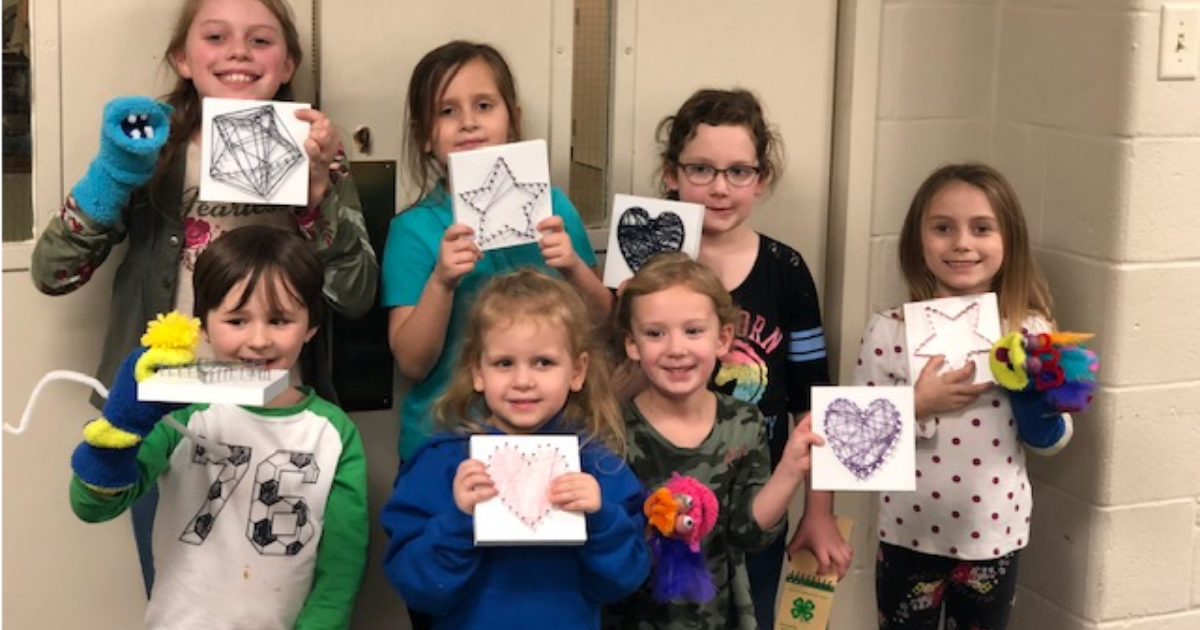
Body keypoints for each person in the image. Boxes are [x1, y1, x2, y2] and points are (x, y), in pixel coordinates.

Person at [29, 0, 377, 592]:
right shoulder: (150, 145)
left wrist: (320, 189)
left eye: (261, 40)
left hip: (277, 407)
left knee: (280, 581)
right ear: (181, 59)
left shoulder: (318, 148)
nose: (238, 51)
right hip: (168, 406)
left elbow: (355, 294)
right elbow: (53, 272)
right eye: (215, 36)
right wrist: (117, 172)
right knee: (178, 578)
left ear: (289, 60)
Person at [68, 224, 369, 630]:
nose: (259, 339)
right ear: (204, 327)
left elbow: (341, 569)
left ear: (311, 326)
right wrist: (124, 421)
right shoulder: (184, 414)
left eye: (279, 320)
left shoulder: (333, 434)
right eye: (237, 320)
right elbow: (91, 506)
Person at [656, 88, 851, 627]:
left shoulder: (785, 270)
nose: (720, 187)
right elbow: (615, 385)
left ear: (760, 179)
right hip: (659, 499)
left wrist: (819, 510)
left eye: (738, 171)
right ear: (671, 173)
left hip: (759, 502)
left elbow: (817, 400)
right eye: (701, 169)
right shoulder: (649, 263)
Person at [855, 163, 1068, 629]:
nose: (962, 243)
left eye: (982, 228)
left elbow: (1052, 439)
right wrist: (916, 405)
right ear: (918, 241)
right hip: (906, 535)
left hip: (994, 536)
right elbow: (855, 447)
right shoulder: (889, 330)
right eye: (943, 228)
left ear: (1008, 241)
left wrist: (1034, 399)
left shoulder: (1031, 331)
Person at [381, 268, 648, 630]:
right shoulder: (440, 464)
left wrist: (600, 519)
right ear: (478, 371)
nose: (523, 381)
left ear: (577, 371)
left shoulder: (599, 466)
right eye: (504, 363)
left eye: (544, 362)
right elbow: (419, 590)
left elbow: (624, 582)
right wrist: (459, 521)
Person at [381, 40, 608, 462]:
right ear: (424, 135)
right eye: (447, 111)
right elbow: (412, 364)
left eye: (484, 106)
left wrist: (575, 268)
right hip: (444, 443)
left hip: (554, 438)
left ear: (512, 119)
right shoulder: (413, 230)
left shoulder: (554, 209)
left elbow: (603, 325)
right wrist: (441, 283)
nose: (468, 122)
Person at [604, 252, 823, 630]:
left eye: (693, 331)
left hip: (719, 616)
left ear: (723, 338)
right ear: (632, 344)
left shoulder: (743, 422)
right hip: (630, 617)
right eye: (655, 333)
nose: (676, 348)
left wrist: (789, 470)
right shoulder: (612, 430)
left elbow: (749, 534)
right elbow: (606, 543)